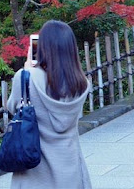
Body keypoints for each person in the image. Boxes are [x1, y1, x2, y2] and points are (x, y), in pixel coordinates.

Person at [6, 20, 92, 189]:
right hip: (71, 169)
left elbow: (12, 107)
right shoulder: (81, 82)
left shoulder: (26, 77)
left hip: (34, 173)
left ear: (43, 47)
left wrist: (26, 69)